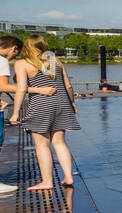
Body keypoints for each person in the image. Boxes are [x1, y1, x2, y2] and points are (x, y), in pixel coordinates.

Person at [7, 36, 79, 190]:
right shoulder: (55, 61)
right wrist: (72, 102)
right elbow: (68, 85)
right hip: (62, 103)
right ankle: (68, 176)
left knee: (41, 144)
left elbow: (21, 89)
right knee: (59, 142)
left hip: (41, 104)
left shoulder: (22, 63)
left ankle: (47, 181)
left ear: (26, 47)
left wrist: (15, 112)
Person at [0, 36, 56, 194]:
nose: (14, 58)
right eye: (15, 55)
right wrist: (39, 90)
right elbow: (3, 85)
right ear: (13, 48)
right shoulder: (2, 60)